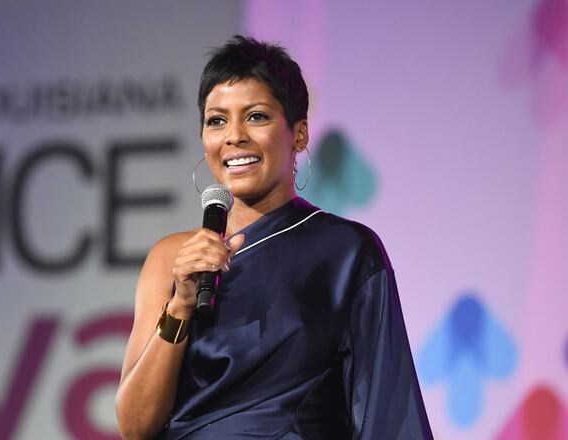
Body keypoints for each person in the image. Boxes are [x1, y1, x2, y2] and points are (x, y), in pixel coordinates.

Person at [115, 35, 432, 439]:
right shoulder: (172, 258)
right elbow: (135, 426)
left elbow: (386, 412)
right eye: (216, 121)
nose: (234, 136)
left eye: (256, 116)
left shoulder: (346, 252)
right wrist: (180, 306)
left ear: (299, 134)